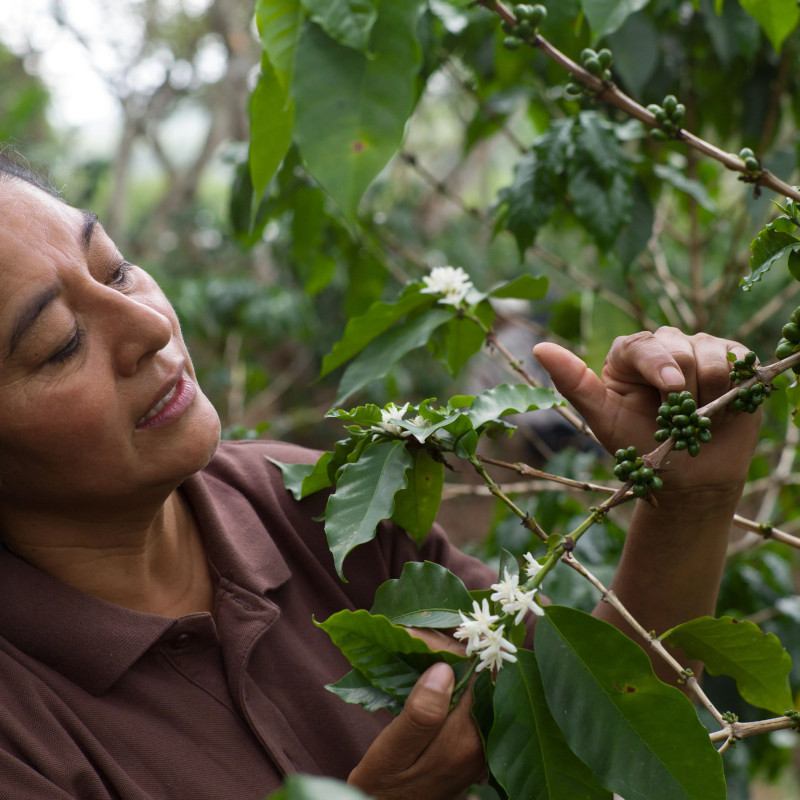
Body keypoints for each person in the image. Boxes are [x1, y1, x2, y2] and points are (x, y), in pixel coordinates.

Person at [0, 149, 761, 800]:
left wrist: (689, 498)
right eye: (60, 343)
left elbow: (590, 726)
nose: (151, 327)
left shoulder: (316, 504)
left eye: (119, 269)